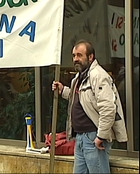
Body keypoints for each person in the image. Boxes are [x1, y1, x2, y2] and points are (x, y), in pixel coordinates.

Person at [52, 39, 127, 174]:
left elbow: (108, 109)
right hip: (81, 137)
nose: (75, 59)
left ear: (90, 57)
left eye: (79, 55)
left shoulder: (98, 76)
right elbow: (83, 99)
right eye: (74, 56)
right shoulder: (80, 77)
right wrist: (63, 90)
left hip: (93, 137)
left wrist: (101, 137)